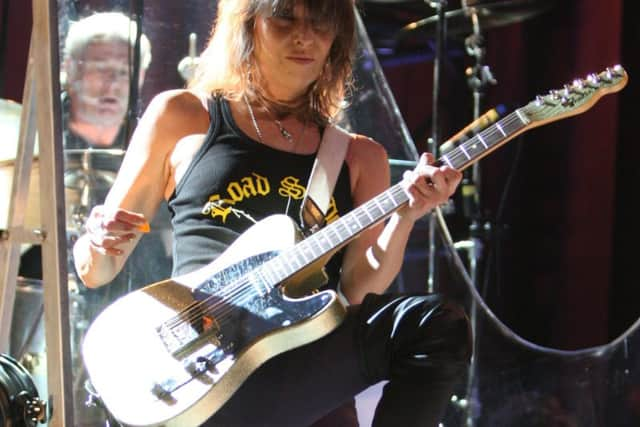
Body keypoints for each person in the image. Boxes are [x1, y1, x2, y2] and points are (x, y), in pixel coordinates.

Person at [73, 1, 472, 426]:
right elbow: (95, 270)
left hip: (301, 373)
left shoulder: (358, 155)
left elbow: (358, 289)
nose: (304, 35)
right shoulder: (184, 116)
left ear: (337, 39)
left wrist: (405, 216)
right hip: (203, 367)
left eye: (320, 22)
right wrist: (97, 242)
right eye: (285, 16)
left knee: (437, 325)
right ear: (247, 26)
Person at [61, 11, 152, 149]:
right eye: (101, 69)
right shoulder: (36, 133)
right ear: (69, 69)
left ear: (141, 77)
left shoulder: (152, 145)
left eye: (124, 72)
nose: (113, 84)